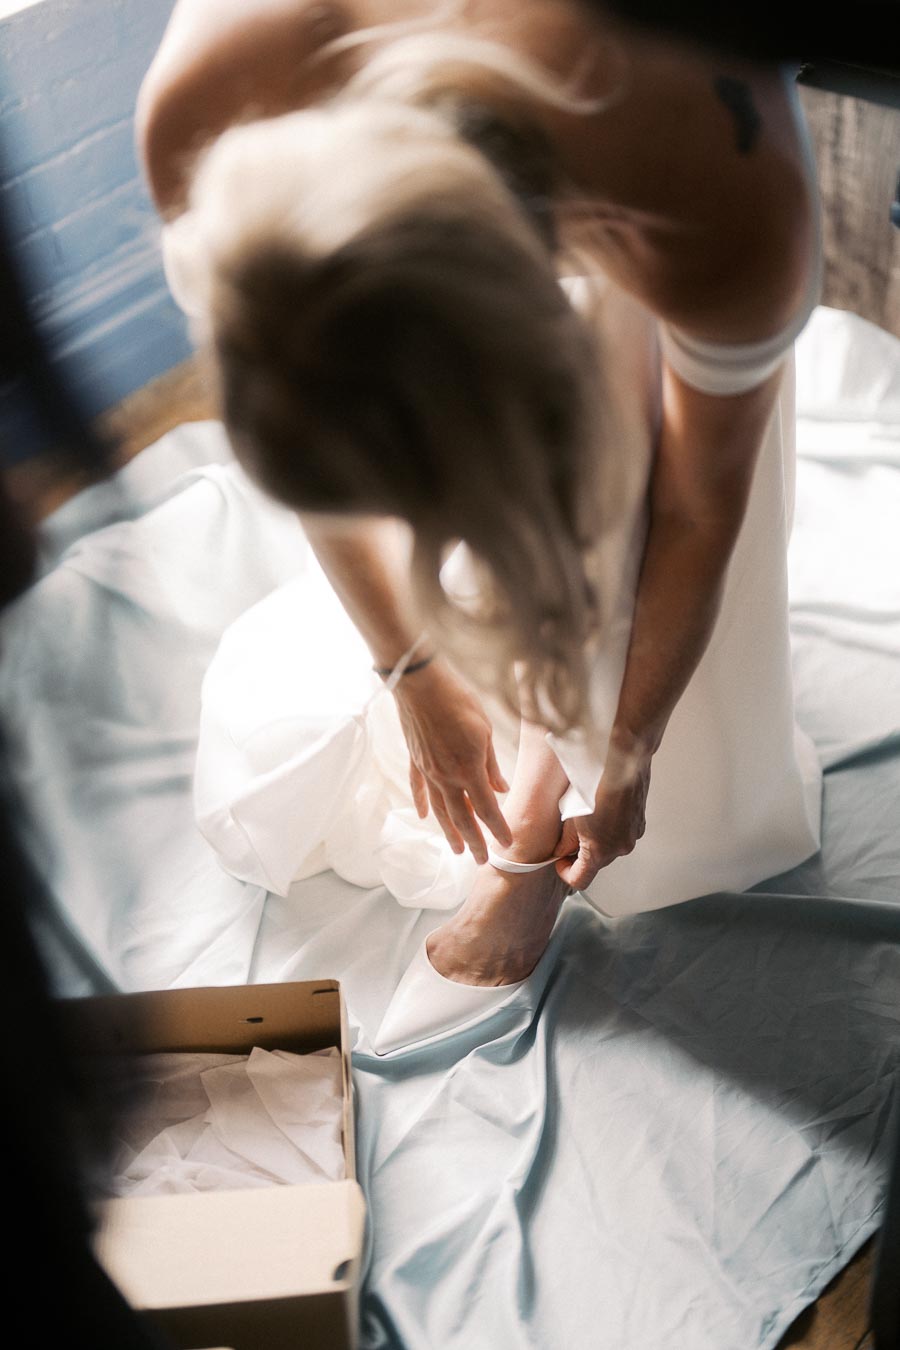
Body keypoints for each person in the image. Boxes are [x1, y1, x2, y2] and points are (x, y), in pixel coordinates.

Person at [136, 0, 822, 988]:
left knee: (635, 444)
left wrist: (623, 756)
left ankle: (538, 810)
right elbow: (295, 374)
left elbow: (696, 508)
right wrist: (407, 664)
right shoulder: (209, 105)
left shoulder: (719, 193)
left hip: (649, 117)